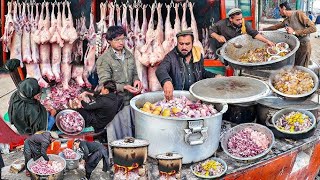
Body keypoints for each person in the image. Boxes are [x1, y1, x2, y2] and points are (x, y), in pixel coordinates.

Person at [156, 29, 220, 100]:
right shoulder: (171, 57)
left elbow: (202, 72)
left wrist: (214, 76)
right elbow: (160, 70)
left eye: (187, 44)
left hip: (196, 97)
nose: (184, 47)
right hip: (177, 99)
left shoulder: (197, 55)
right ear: (177, 43)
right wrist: (166, 81)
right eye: (181, 44)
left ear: (192, 44)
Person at [96, 26, 142, 106]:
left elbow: (134, 73)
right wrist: (123, 87)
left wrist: (136, 80)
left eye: (122, 39)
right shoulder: (104, 59)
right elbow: (105, 84)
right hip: (115, 103)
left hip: (130, 101)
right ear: (109, 41)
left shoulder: (129, 55)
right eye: (117, 40)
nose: (121, 42)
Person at [263, 1, 317, 67]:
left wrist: (294, 32)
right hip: (295, 47)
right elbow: (276, 27)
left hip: (304, 46)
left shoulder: (298, 14)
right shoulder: (286, 20)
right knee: (295, 66)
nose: (279, 13)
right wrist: (263, 30)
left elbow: (313, 28)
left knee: (301, 67)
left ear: (284, 8)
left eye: (280, 10)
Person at [209, 8, 274, 58]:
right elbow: (210, 31)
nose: (240, 21)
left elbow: (253, 33)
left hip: (240, 48)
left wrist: (266, 41)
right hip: (226, 49)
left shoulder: (243, 23)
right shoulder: (221, 24)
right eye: (237, 20)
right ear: (231, 19)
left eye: (241, 19)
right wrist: (218, 37)